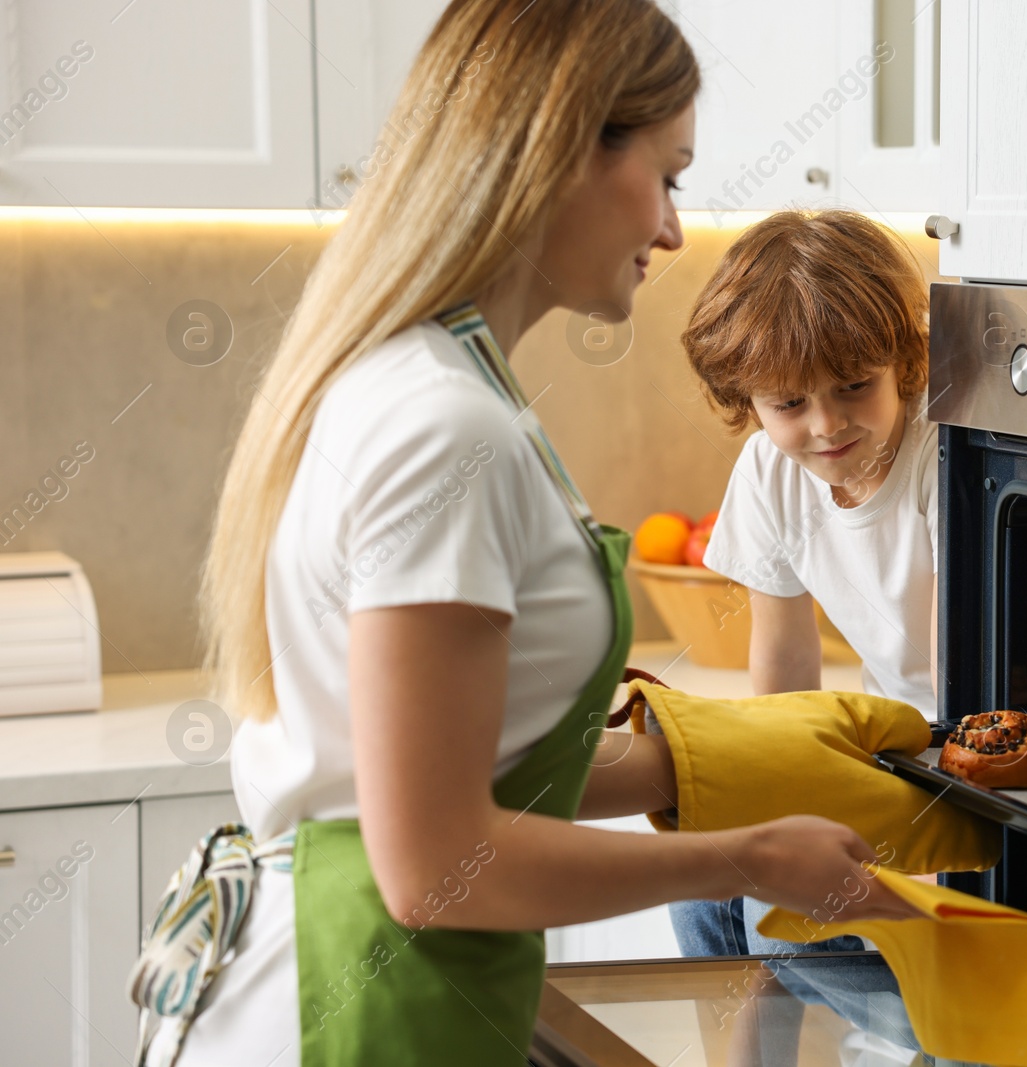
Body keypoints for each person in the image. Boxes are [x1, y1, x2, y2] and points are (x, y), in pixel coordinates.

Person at [140, 4, 917, 1064]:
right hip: (351, 994)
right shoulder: (439, 425)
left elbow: (467, 772)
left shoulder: (442, 385)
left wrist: (702, 762)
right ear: (565, 150)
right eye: (670, 174)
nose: (674, 230)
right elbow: (437, 859)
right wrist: (749, 857)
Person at [672, 210, 940, 959]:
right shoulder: (768, 471)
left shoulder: (940, 461)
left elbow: (965, 681)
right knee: (712, 886)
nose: (826, 424)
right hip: (884, 755)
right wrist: (774, 794)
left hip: (953, 761)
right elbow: (787, 670)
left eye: (855, 385)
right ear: (747, 403)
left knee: (791, 933)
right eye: (789, 403)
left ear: (905, 365)